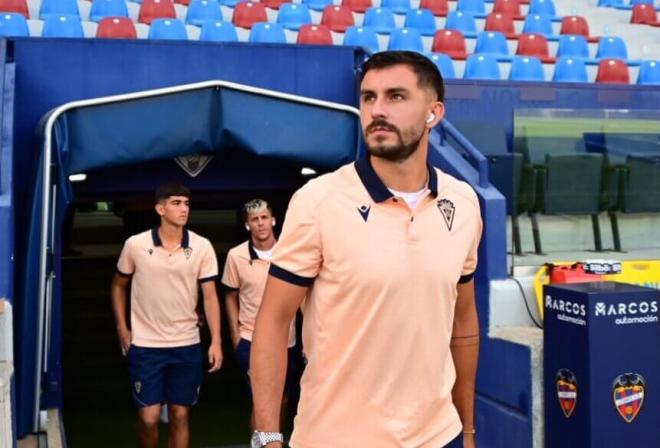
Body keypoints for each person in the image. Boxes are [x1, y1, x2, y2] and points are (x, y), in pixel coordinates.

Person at [250, 51, 482, 448]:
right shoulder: (319, 200)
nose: (377, 110)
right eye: (368, 97)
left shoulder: (463, 203)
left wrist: (468, 430)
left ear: (434, 112)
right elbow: (272, 323)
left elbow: (463, 323)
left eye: (395, 97)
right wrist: (268, 437)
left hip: (439, 436)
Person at [111, 183, 223, 448]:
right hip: (146, 345)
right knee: (149, 419)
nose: (183, 208)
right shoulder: (136, 245)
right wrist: (121, 328)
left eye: (186, 203)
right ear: (160, 208)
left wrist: (216, 340)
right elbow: (118, 285)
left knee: (180, 415)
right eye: (176, 203)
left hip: (186, 344)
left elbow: (210, 296)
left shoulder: (202, 246)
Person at [222, 199, 298, 431]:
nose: (261, 223)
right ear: (247, 225)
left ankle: (272, 444)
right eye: (255, 220)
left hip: (287, 341)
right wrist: (236, 336)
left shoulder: (291, 251)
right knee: (262, 403)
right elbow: (230, 296)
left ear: (273, 220)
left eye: (264, 218)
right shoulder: (236, 256)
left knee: (282, 401)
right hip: (251, 340)